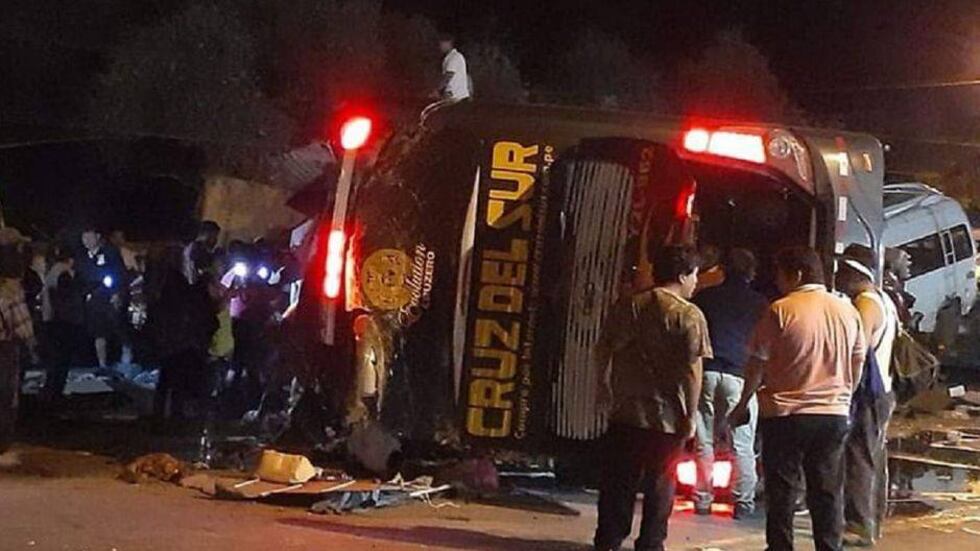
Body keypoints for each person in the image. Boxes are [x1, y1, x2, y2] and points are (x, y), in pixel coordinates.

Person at [730, 247, 866, 551]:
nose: (778, 280)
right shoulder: (847, 311)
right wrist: (843, 395)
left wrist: (743, 403)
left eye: (781, 273)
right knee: (827, 491)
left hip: (785, 414)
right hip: (833, 414)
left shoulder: (781, 310)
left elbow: (757, 363)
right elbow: (858, 362)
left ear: (798, 274)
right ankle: (829, 546)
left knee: (782, 491)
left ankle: (781, 547)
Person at [594, 245, 711, 551]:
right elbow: (692, 370)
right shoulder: (689, 315)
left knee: (618, 481)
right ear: (683, 275)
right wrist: (690, 415)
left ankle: (608, 539)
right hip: (667, 418)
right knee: (661, 483)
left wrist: (602, 386)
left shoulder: (628, 306)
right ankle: (650, 542)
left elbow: (603, 348)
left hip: (626, 410)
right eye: (695, 274)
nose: (696, 282)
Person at [692, 248, 768, 519]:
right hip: (740, 377)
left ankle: (703, 499)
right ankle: (743, 502)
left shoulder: (705, 298)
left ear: (722, 269)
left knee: (704, 440)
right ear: (752, 273)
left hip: (707, 373)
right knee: (742, 444)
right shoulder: (761, 304)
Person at [837, 246, 899, 547]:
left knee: (859, 456)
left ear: (854, 273)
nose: (838, 279)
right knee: (873, 455)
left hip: (868, 393)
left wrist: (845, 388)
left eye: (842, 273)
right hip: (883, 389)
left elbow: (857, 350)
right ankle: (873, 519)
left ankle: (859, 525)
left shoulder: (866, 304)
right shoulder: (885, 300)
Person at [0, 228, 39, 453]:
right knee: (6, 395)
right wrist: (32, 347)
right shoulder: (10, 287)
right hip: (4, 348)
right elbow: (22, 324)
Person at [42, 246, 87, 404]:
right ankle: (55, 395)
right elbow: (67, 299)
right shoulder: (64, 274)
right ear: (71, 260)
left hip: (52, 321)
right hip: (62, 323)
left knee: (55, 360)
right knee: (61, 361)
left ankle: (50, 394)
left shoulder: (52, 272)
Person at [77, 228, 125, 368]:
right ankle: (102, 363)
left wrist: (116, 293)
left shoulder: (110, 253)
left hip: (109, 297)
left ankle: (122, 359)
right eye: (84, 238)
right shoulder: (82, 258)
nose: (86, 241)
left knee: (117, 329)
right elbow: (80, 278)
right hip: (93, 301)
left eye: (89, 237)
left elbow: (119, 273)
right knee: (98, 332)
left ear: (97, 236)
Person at [183, 221, 221, 285]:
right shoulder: (195, 248)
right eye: (214, 236)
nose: (215, 240)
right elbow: (194, 269)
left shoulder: (206, 251)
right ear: (206, 234)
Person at [437, 33, 471, 102]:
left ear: (448, 43)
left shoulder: (454, 57)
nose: (440, 47)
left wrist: (437, 89)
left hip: (456, 97)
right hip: (455, 97)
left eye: (441, 44)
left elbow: (448, 75)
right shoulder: (451, 57)